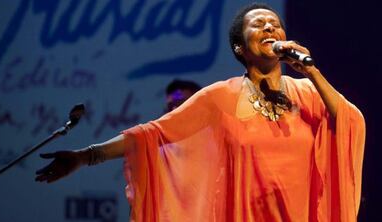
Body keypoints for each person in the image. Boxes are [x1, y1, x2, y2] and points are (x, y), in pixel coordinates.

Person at [35, 3, 365, 221]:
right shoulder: (220, 97)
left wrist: (311, 72)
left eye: (275, 24)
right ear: (239, 47)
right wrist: (84, 156)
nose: (269, 28)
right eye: (258, 24)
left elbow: (350, 122)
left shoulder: (308, 93)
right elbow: (153, 134)